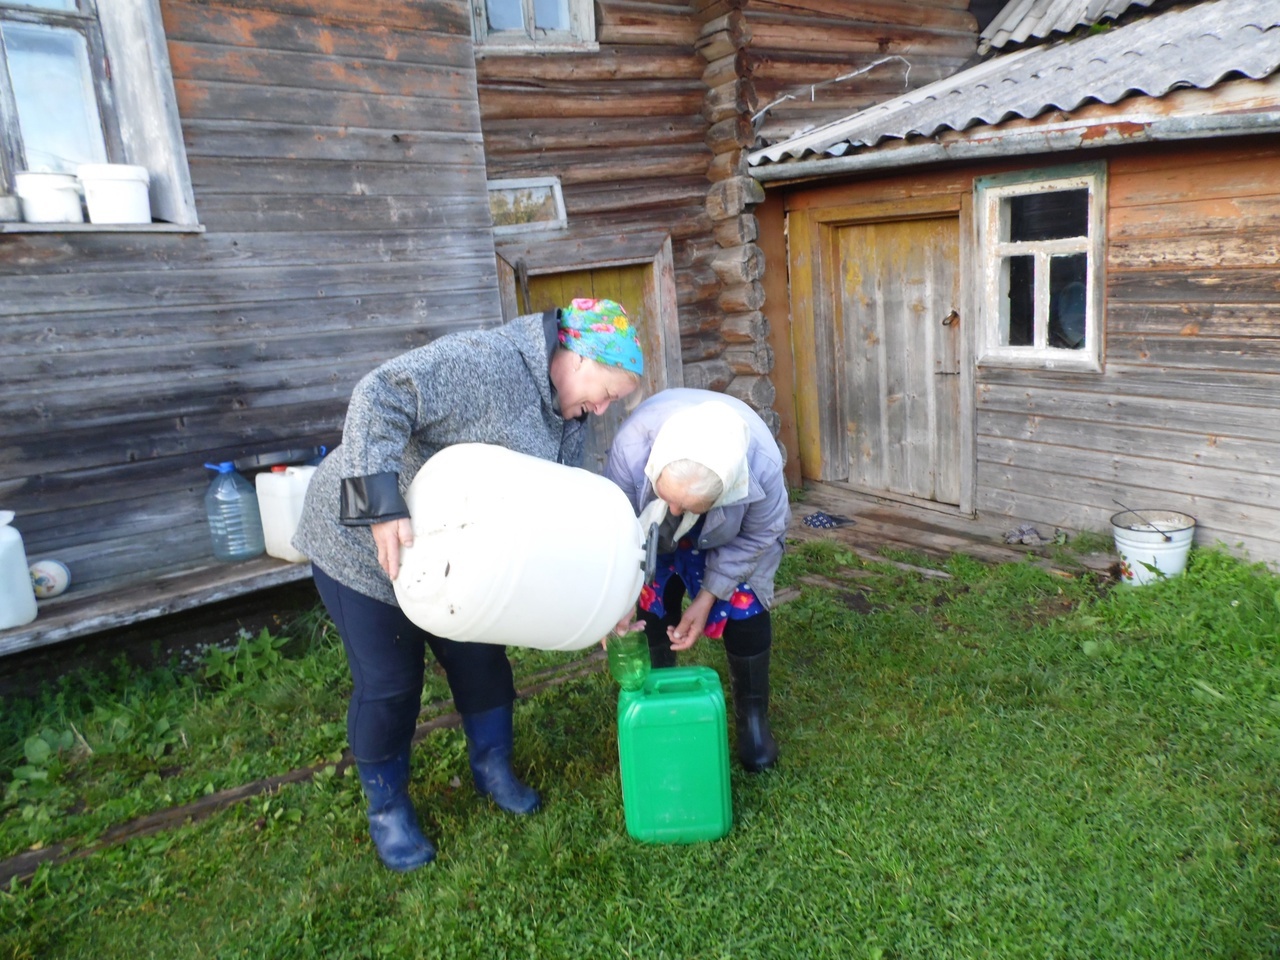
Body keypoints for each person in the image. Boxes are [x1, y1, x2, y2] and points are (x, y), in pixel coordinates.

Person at [293, 299, 643, 872]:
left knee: (481, 661)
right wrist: (379, 506)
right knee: (390, 685)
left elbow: (556, 514)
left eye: (611, 402)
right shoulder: (488, 363)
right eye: (605, 392)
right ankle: (388, 809)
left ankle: (493, 770)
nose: (602, 408)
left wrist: (604, 597)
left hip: (459, 558)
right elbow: (379, 393)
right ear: (577, 356)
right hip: (363, 549)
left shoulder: (569, 418)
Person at [604, 388, 791, 772]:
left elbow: (759, 536)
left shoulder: (763, 466)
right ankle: (659, 704)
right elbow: (618, 530)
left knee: (745, 597)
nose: (673, 510)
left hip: (729, 532)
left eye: (686, 506)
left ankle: (753, 720)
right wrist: (619, 599)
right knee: (652, 593)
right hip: (651, 526)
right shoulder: (631, 448)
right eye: (669, 497)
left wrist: (707, 597)